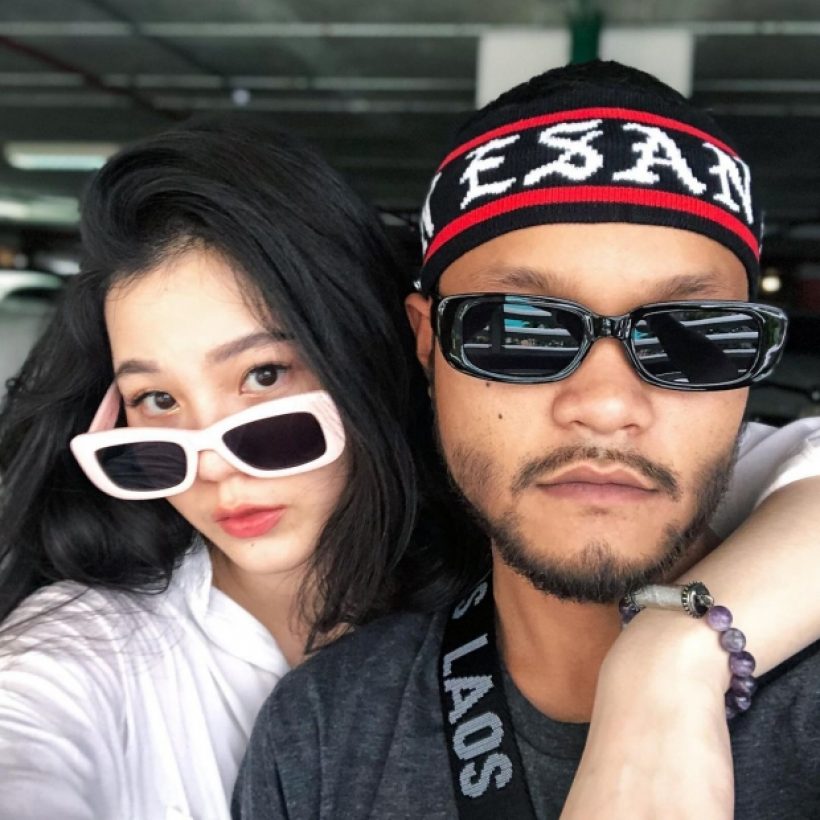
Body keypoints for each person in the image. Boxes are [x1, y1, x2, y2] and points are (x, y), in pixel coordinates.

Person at [232, 61, 820, 819]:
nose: (605, 406)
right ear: (428, 344)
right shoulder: (323, 730)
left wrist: (669, 659)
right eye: (519, 332)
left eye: (692, 340)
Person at [0, 119, 456, 819]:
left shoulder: (498, 618)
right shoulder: (86, 648)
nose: (210, 465)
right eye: (158, 399)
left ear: (364, 358)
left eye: (263, 374)